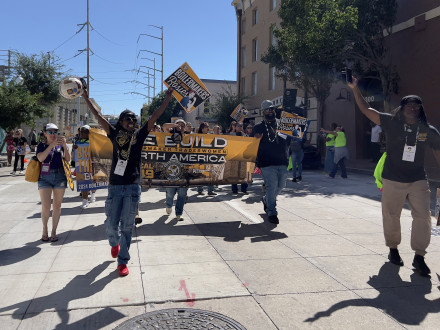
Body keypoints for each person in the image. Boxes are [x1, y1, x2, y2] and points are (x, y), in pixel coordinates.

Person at [348, 77, 440, 276]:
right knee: (391, 216)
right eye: (409, 105)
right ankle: (393, 250)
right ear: (402, 107)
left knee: (423, 217)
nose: (413, 108)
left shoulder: (427, 130)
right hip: (392, 178)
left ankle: (419, 256)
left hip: (418, 179)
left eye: (417, 106)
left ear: (420, 109)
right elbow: (366, 110)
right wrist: (355, 89)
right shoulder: (390, 121)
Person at [82, 84, 173, 277]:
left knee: (128, 226)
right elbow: (98, 116)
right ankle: (114, 243)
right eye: (128, 120)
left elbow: (155, 116)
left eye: (134, 120)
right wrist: (85, 97)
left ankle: (122, 261)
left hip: (132, 186)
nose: (131, 123)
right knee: (111, 225)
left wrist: (168, 98)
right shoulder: (113, 133)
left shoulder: (139, 136)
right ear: (121, 122)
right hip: (115, 186)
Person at [250, 100, 289, 224]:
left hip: (282, 160)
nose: (270, 111)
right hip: (266, 162)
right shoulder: (258, 127)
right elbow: (251, 144)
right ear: (263, 112)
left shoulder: (283, 124)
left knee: (281, 185)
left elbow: (288, 141)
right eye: (267, 110)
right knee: (271, 186)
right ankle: (272, 212)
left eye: (272, 109)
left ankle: (266, 199)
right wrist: (256, 140)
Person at [36, 123, 70, 242]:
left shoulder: (60, 145)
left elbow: (67, 159)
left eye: (55, 131)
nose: (53, 134)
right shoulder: (41, 145)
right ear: (45, 133)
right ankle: (45, 229)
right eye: (50, 132)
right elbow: (40, 158)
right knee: (46, 206)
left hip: (60, 175)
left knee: (57, 206)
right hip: (45, 177)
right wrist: (51, 146)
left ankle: (53, 231)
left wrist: (64, 145)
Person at [162, 119, 189, 220]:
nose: (181, 128)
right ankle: (169, 205)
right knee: (170, 192)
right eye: (179, 125)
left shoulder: (189, 137)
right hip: (171, 169)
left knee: (182, 194)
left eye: (183, 126)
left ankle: (178, 214)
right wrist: (175, 126)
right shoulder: (170, 134)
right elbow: (164, 126)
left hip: (184, 170)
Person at [72, 125, 96, 209]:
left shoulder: (94, 141)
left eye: (85, 131)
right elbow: (74, 155)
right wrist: (74, 149)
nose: (82, 133)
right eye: (81, 131)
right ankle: (85, 200)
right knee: (83, 182)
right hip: (82, 165)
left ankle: (93, 194)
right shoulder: (78, 141)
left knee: (93, 181)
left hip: (92, 164)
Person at [196, 122, 217, 196]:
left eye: (208, 127)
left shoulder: (210, 137)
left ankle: (211, 190)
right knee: (201, 174)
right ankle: (200, 190)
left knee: (210, 174)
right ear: (202, 129)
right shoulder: (197, 137)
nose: (208, 128)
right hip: (200, 158)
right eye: (206, 127)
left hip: (209, 158)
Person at [230, 122, 248, 194]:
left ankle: (244, 189)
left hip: (243, 156)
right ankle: (234, 189)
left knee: (243, 173)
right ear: (235, 127)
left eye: (241, 126)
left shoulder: (245, 135)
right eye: (238, 126)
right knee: (234, 173)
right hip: (234, 156)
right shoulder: (232, 135)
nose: (240, 127)